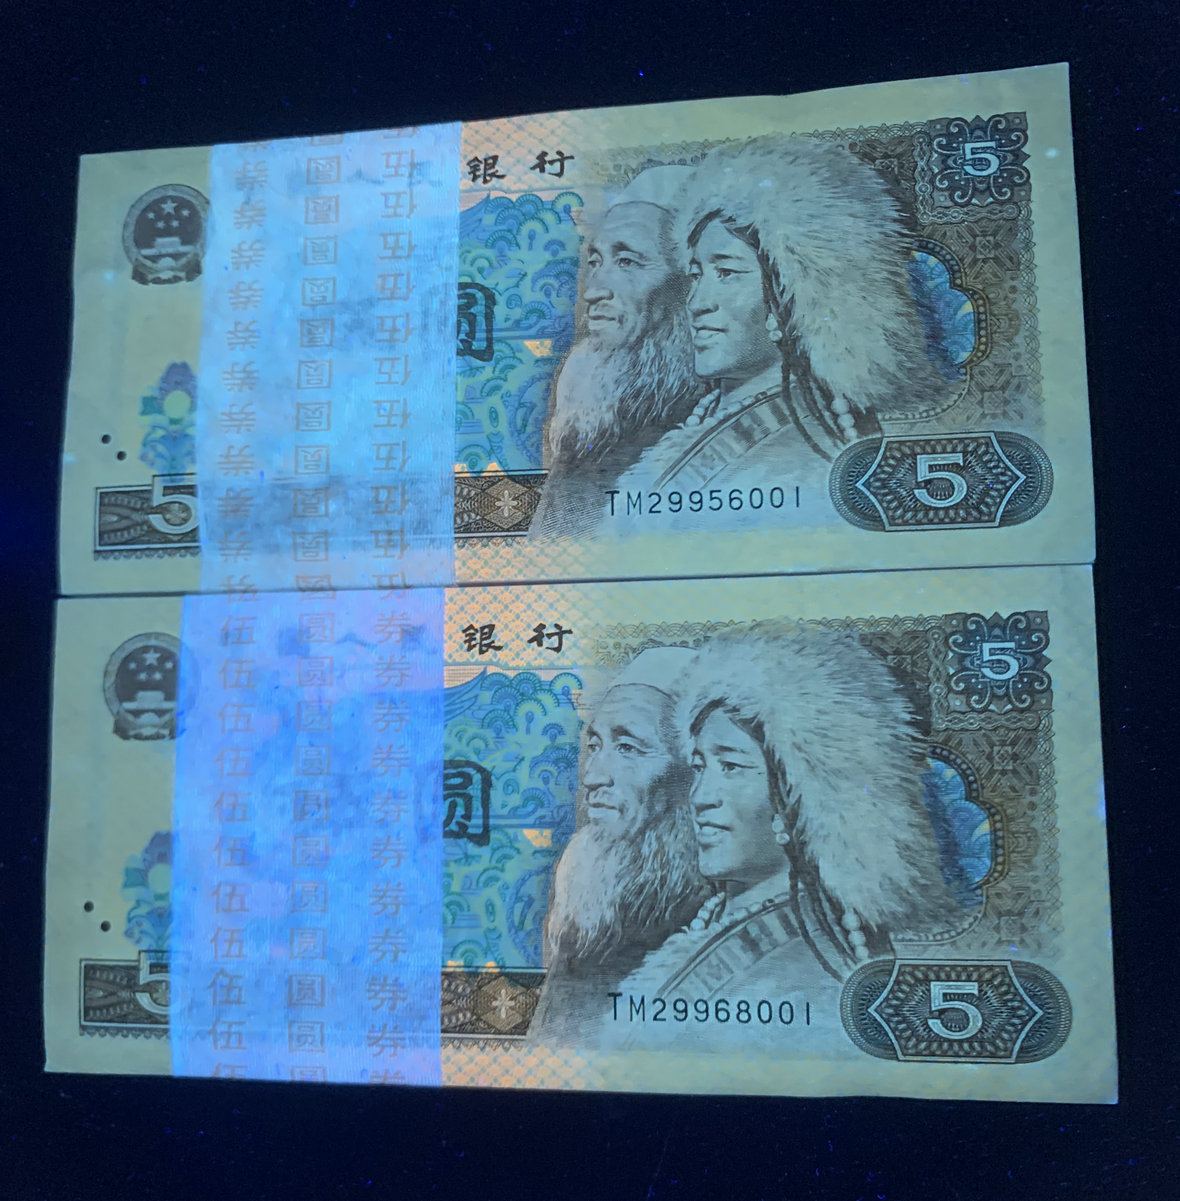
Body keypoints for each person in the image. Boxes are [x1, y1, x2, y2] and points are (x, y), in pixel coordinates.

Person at [609, 622, 961, 1049]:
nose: (700, 796)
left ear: (797, 797)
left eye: (731, 767)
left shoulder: (803, 964)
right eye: (699, 766)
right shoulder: (713, 922)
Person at [612, 135, 950, 519]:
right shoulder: (715, 416)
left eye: (727, 273)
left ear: (793, 299)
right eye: (696, 274)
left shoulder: (801, 451)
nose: (697, 302)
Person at [531, 646, 709, 1042]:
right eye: (595, 746)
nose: (593, 776)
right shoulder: (586, 899)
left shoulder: (717, 915)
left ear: (692, 771)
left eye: (627, 748)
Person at [529, 165, 701, 540]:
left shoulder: (710, 417)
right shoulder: (586, 398)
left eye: (627, 262)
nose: (593, 291)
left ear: (689, 283)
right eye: (596, 262)